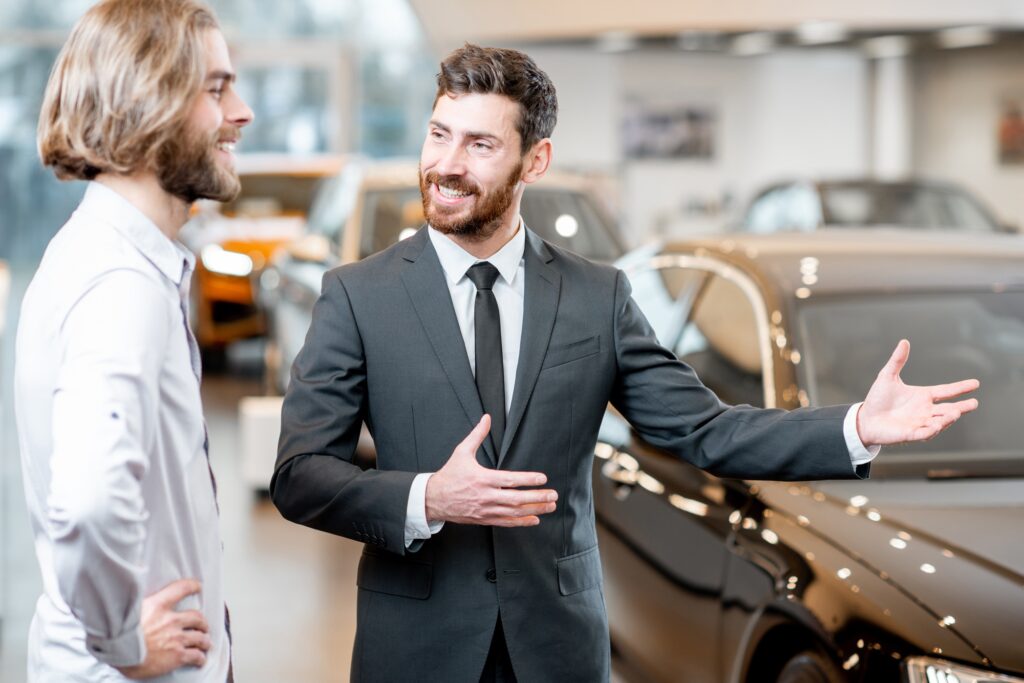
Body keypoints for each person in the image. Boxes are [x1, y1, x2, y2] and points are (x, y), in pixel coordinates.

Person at [271, 44, 979, 683]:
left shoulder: (596, 296)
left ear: (534, 161)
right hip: (415, 653)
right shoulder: (357, 297)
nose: (447, 164)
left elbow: (707, 431)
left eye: (480, 144)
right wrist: (426, 497)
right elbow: (301, 476)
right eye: (438, 134)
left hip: (559, 650)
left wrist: (857, 425)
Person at [15, 0, 253, 680]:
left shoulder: (111, 257)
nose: (241, 111)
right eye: (215, 88)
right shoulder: (120, 283)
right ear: (146, 101)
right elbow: (90, 499)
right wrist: (122, 640)